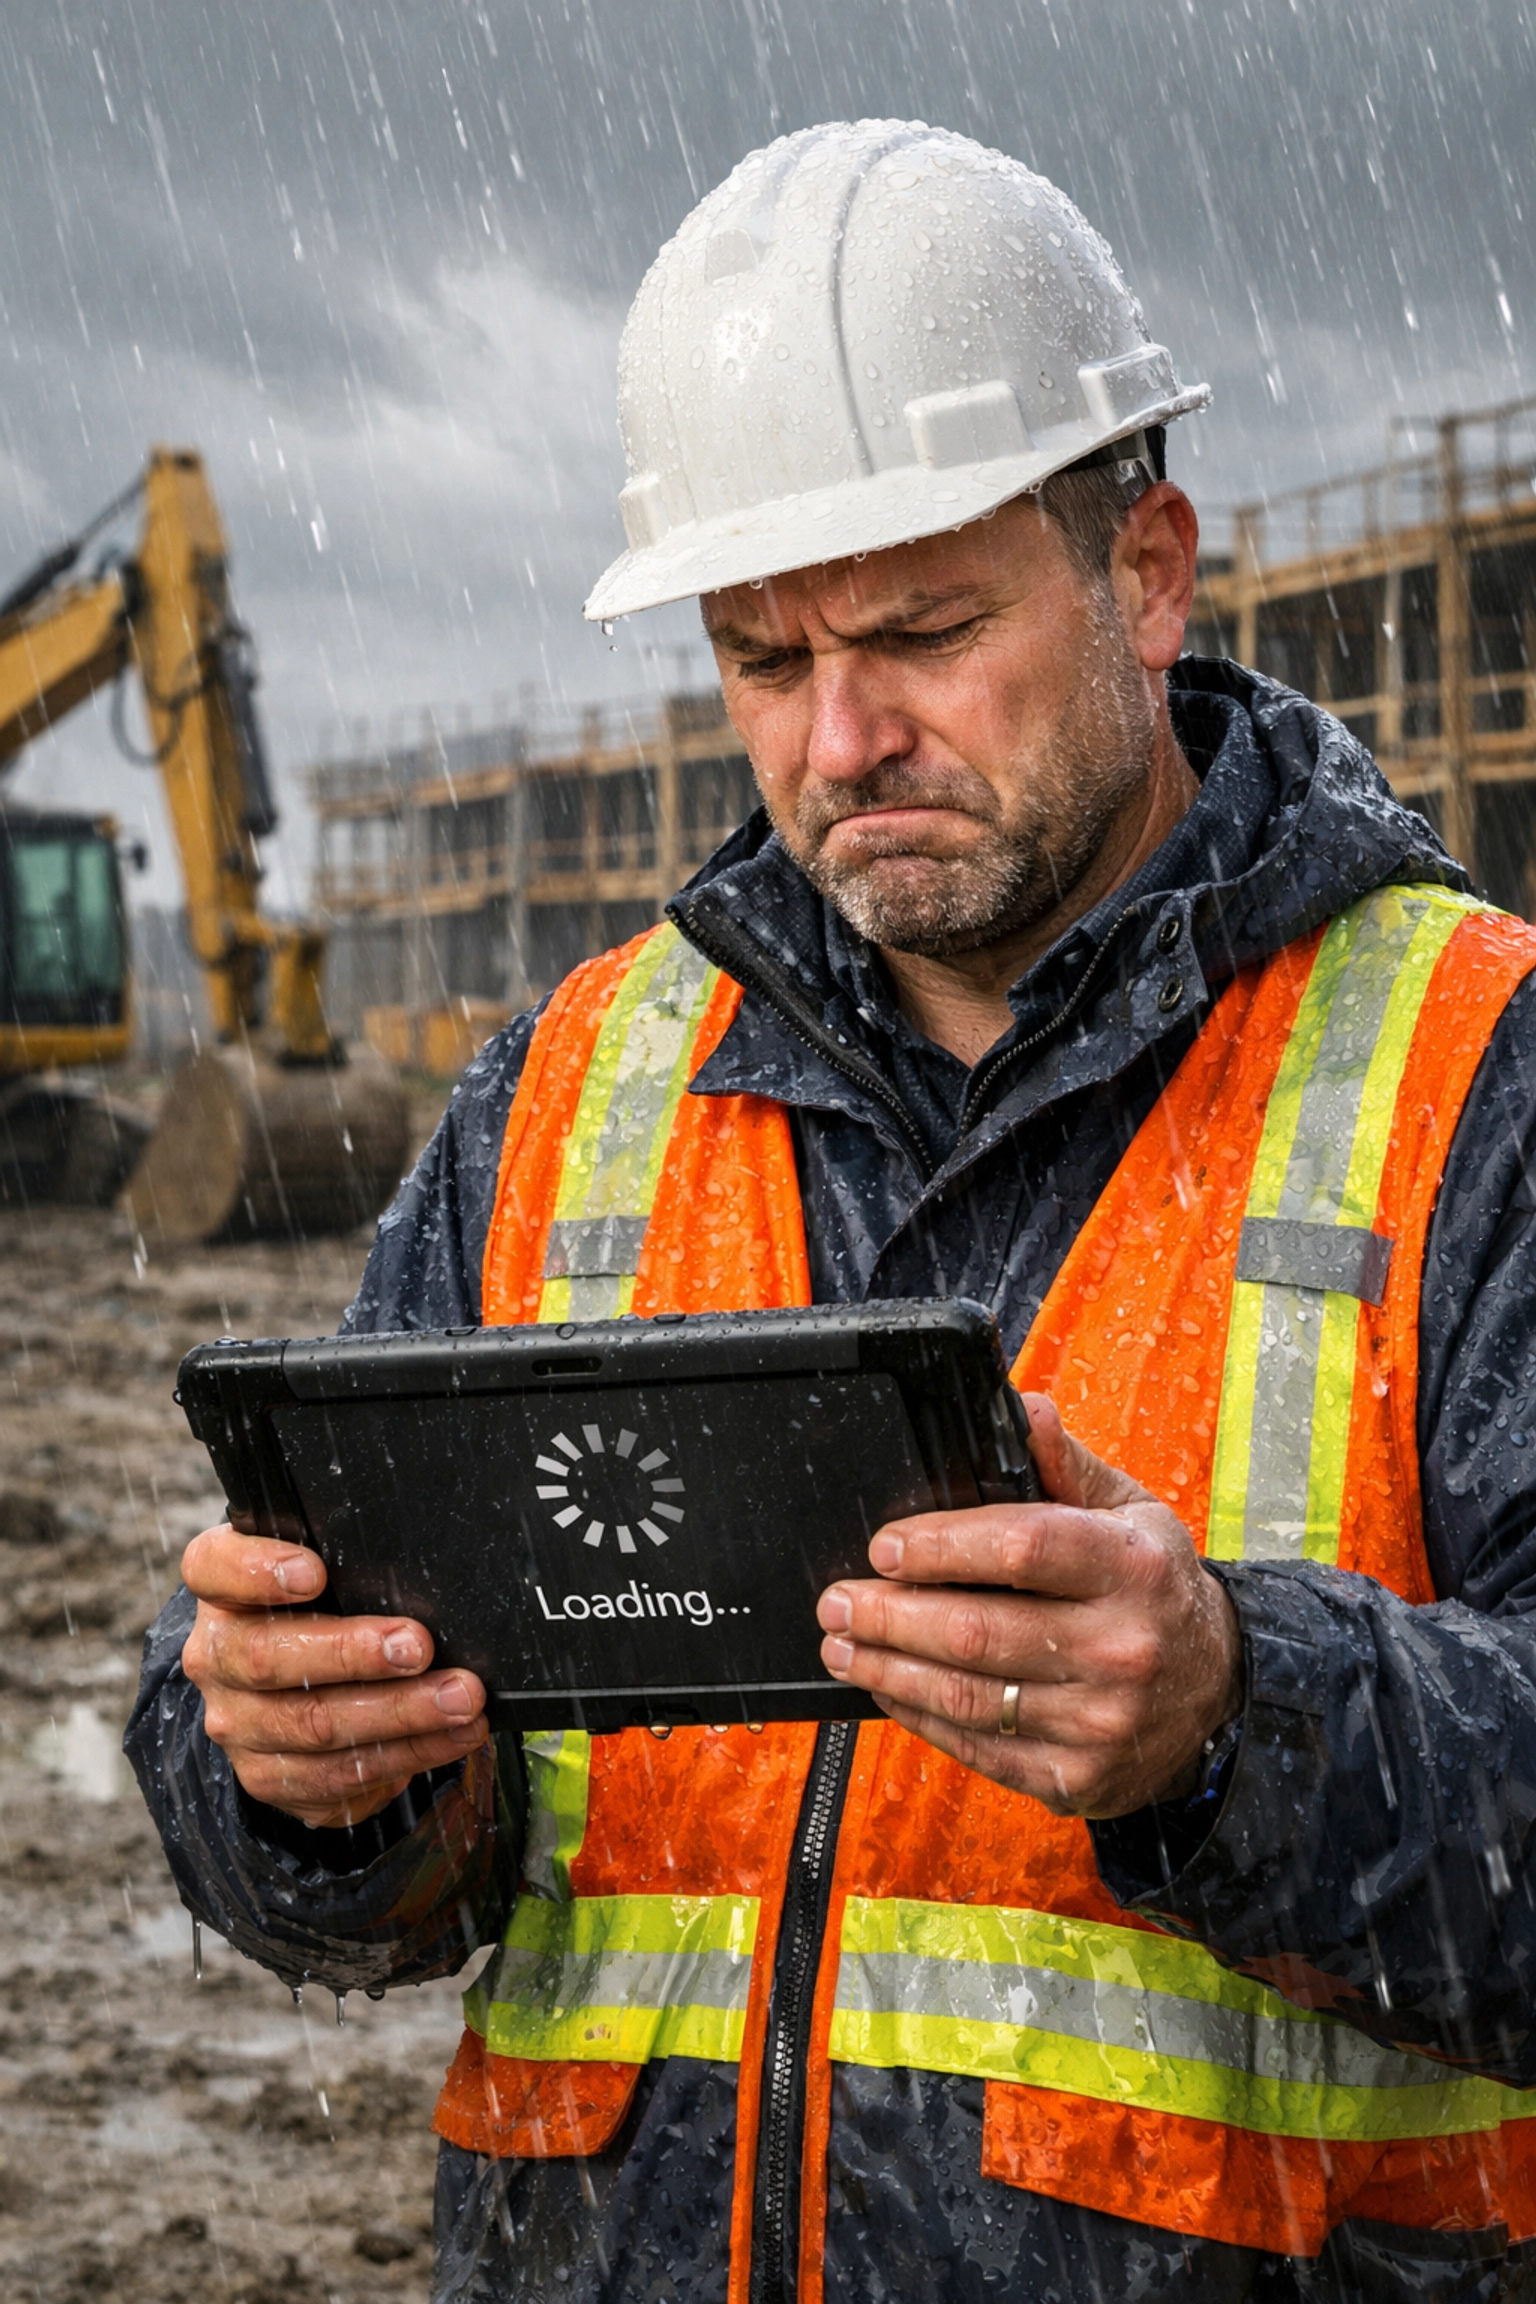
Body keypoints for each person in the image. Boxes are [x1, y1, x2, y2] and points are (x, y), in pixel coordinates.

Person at [129, 121, 1536, 2302]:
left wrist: (1238, 1712)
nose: (842, 738)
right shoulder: (581, 1085)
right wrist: (309, 1782)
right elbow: (311, 1812)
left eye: (921, 631)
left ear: (1149, 568)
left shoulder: (1475, 1075)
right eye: (762, 661)